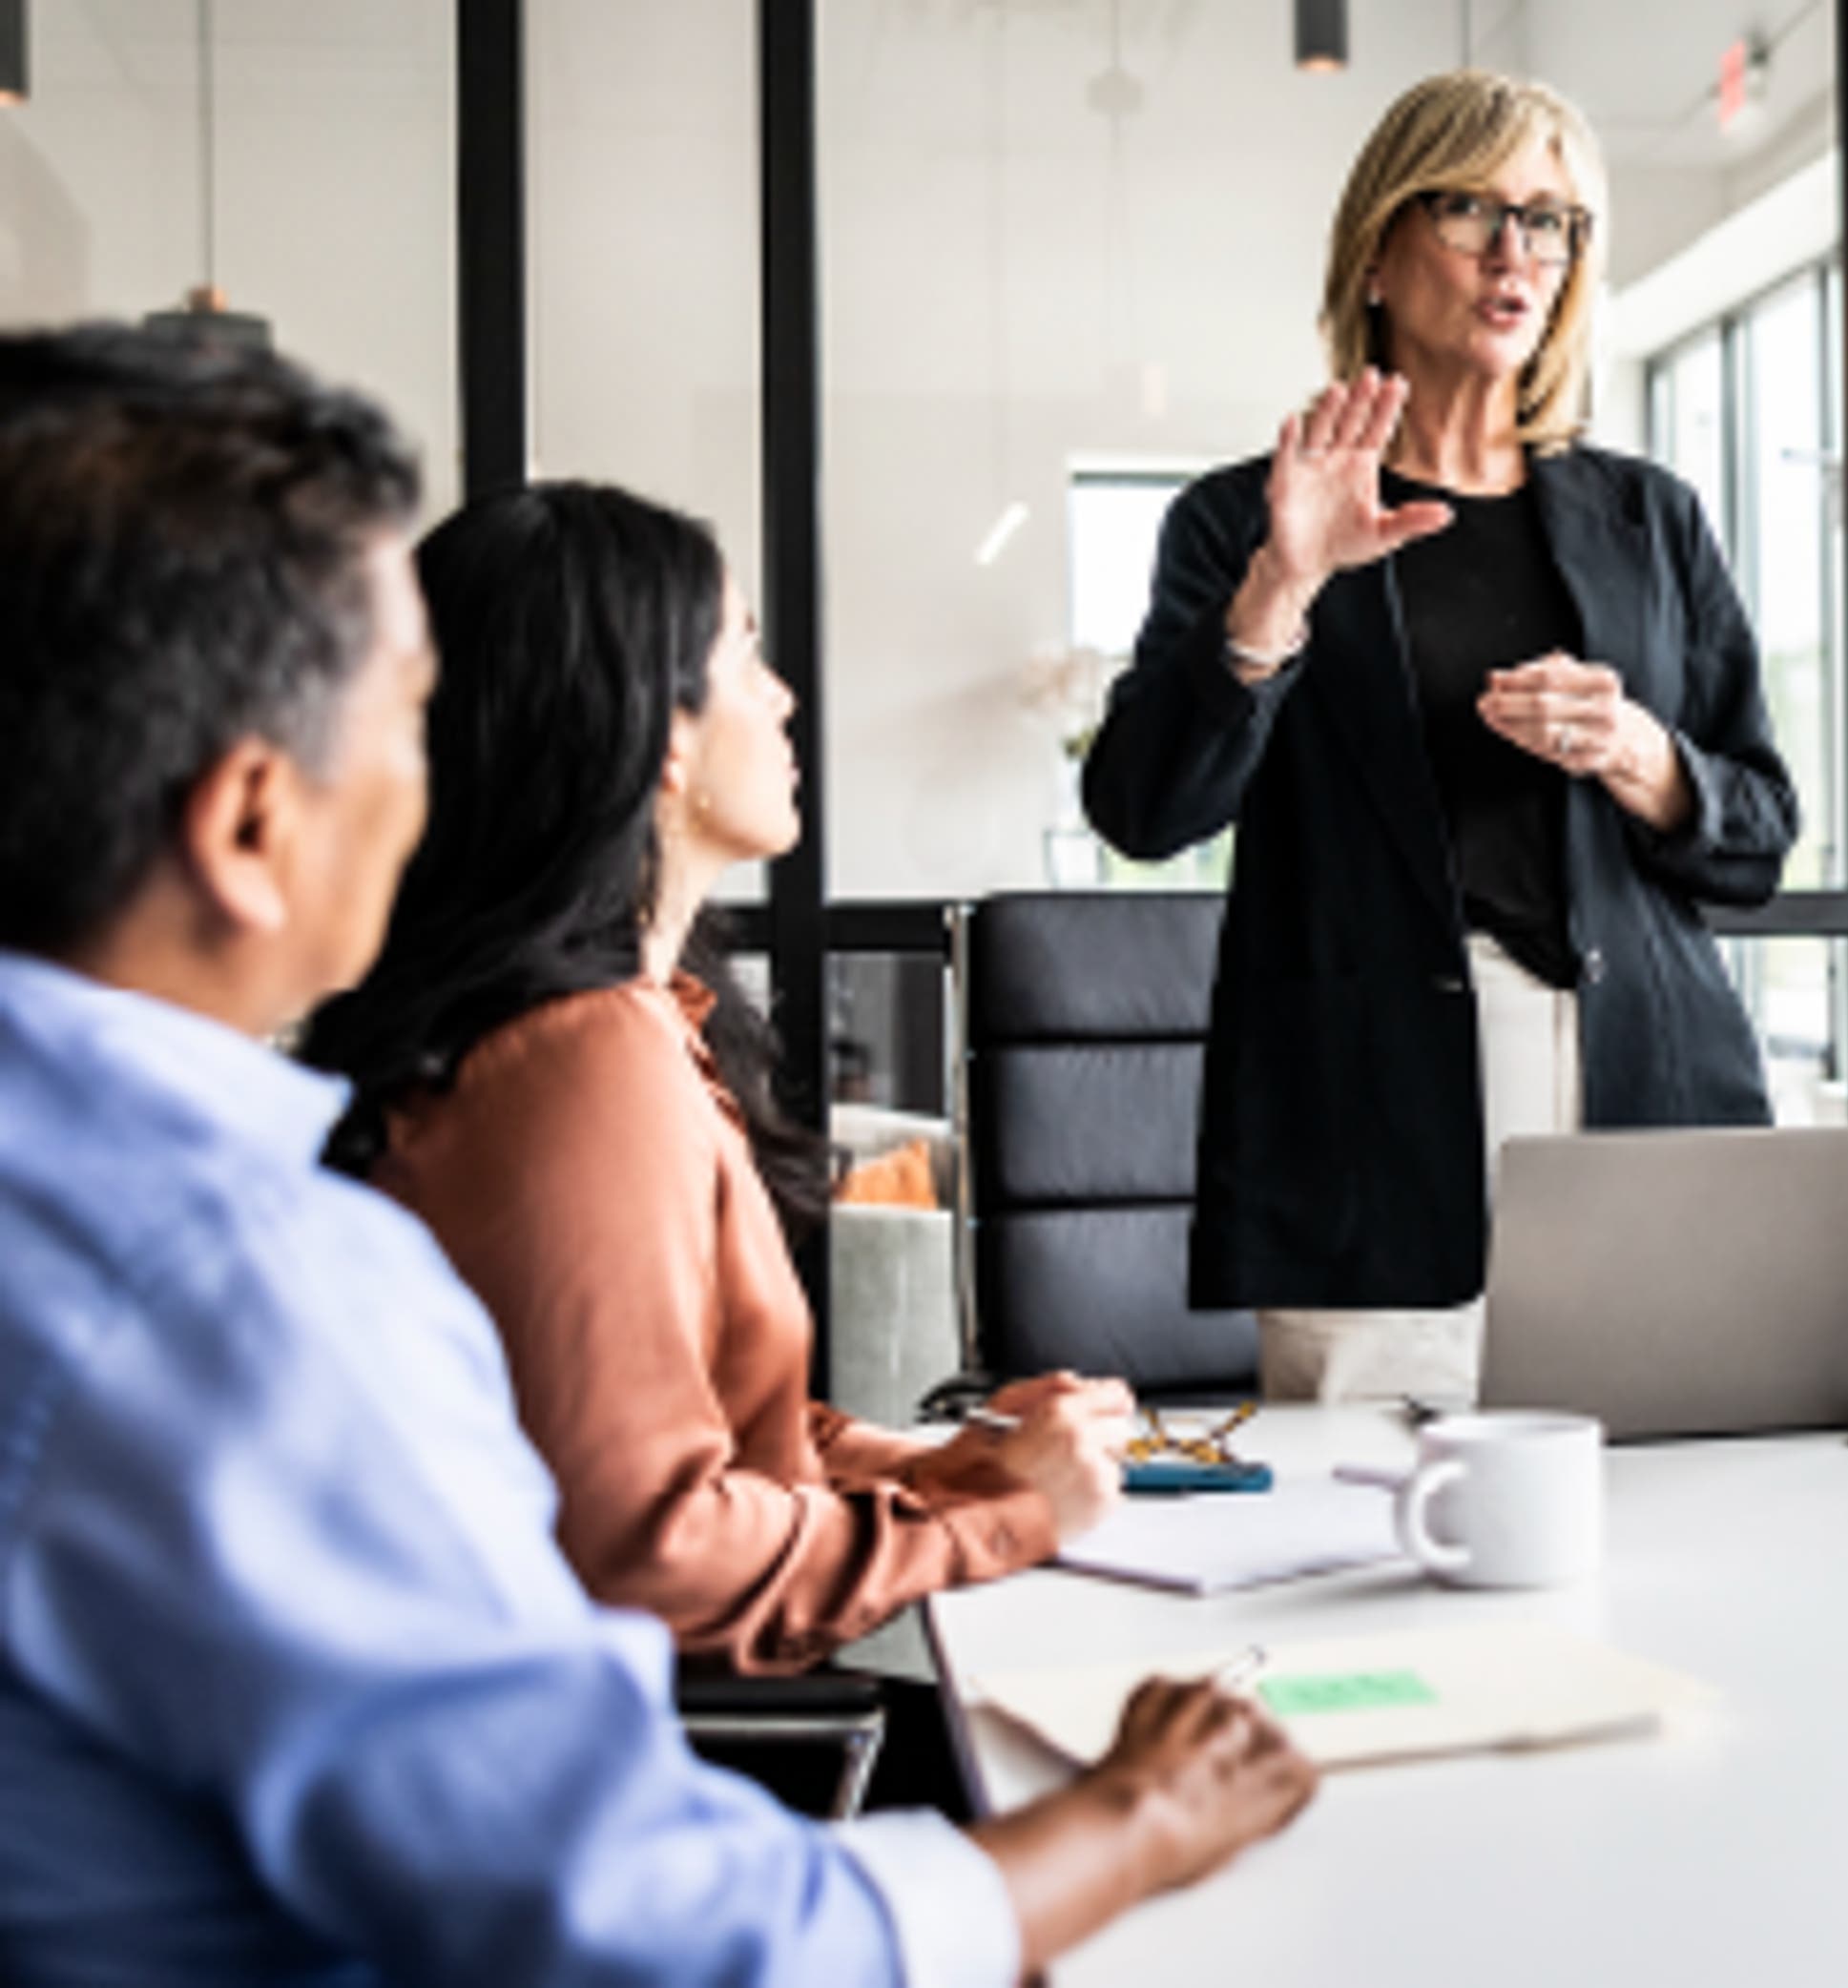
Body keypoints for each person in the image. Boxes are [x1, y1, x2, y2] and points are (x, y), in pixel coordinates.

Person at [0, 324, 1309, 1983]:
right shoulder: (244, 1282)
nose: (440, 768)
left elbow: (665, 1422)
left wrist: (955, 1468)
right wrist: (1136, 1811)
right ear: (253, 821)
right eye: (405, 716)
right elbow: (651, 1911)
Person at [300, 482, 1130, 1682]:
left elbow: (701, 1426)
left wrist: (939, 1467)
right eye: (746, 653)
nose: (784, 694)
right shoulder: (581, 1062)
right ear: (665, 734)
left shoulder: (640, 1024)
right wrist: (1000, 1519)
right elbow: (645, 1549)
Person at [1084, 70, 1797, 1404]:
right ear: (1377, 249)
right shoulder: (1245, 517)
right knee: (1367, 1548)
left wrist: (1645, 758)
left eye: (1553, 221)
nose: (1517, 252)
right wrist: (1279, 591)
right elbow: (1143, 809)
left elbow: (1759, 835)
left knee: (1679, 1519)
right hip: (1370, 1115)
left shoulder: (1651, 519)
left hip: (1644, 1089)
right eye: (1474, 208)